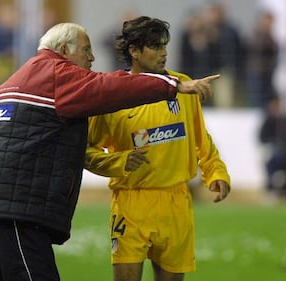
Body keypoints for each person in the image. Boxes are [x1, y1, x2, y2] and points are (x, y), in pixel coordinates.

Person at [0, 22, 220, 281]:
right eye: (86, 49)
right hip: (17, 211)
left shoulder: (13, 82)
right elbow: (110, 87)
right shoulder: (57, 76)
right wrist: (173, 86)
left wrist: (215, 171)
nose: (92, 57)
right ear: (64, 50)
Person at [85, 16, 231, 281]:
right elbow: (86, 152)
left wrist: (216, 173)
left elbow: (201, 139)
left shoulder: (182, 85)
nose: (164, 53)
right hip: (132, 203)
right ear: (134, 51)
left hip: (176, 202)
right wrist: (119, 163)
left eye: (164, 45)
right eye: (155, 46)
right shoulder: (113, 96)